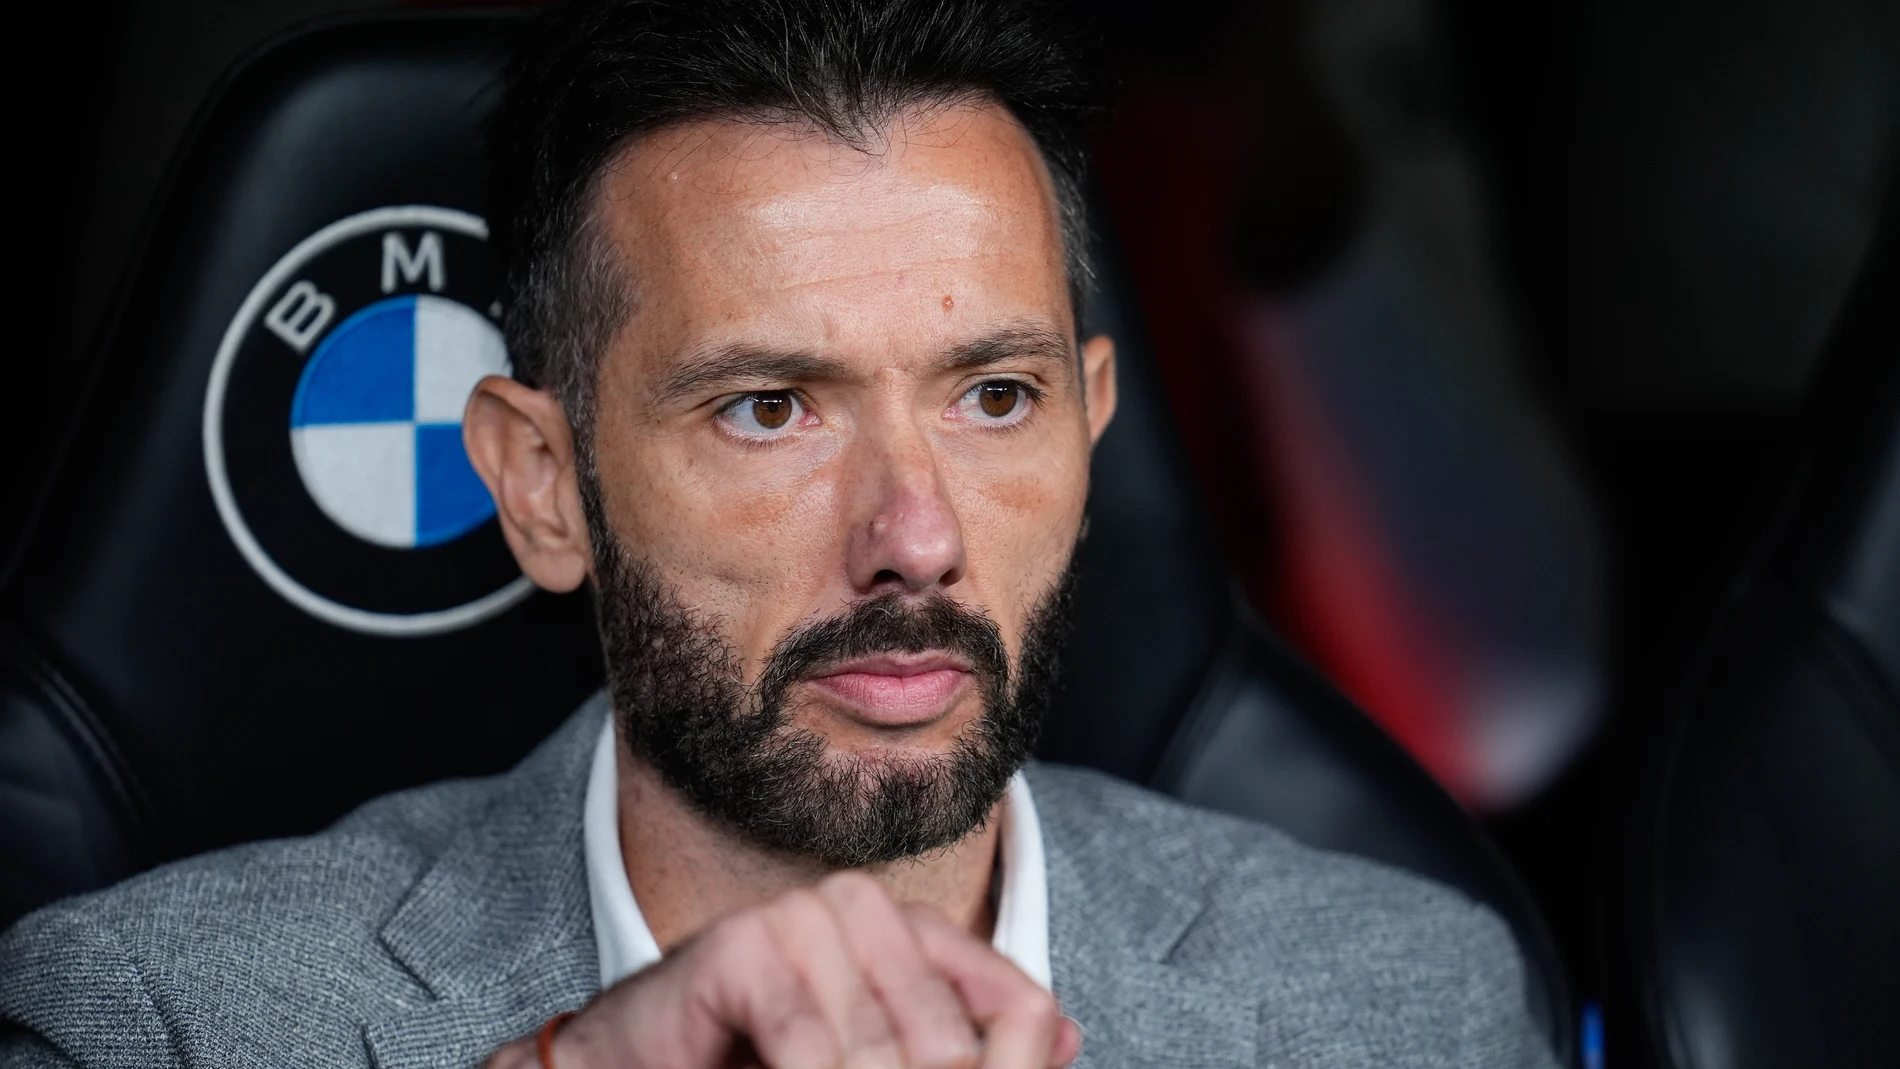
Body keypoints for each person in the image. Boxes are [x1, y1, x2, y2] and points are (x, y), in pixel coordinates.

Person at [0, 0, 1556, 1065]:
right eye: (769, 409)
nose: (915, 537)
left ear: (1094, 424)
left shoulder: (1400, 1003)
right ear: (542, 484)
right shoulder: (162, 1021)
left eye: (993, 398)